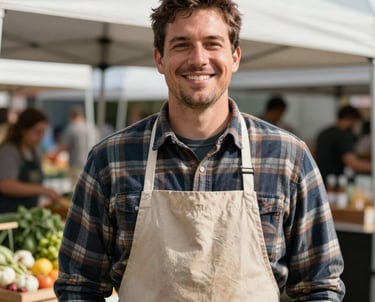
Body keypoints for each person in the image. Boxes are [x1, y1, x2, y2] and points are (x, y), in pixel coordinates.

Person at [55, 1, 345, 301]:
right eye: (181, 45)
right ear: (159, 58)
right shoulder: (111, 159)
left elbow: (320, 286)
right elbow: (79, 285)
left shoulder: (287, 158)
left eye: (212, 43)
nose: (198, 58)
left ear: (234, 57)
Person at [0, 107, 61, 213]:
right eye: (37, 132)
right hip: (9, 217)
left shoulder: (34, 152)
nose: (41, 137)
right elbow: (6, 185)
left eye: (43, 132)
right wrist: (42, 190)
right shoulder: (9, 151)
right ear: (24, 131)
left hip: (28, 214)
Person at [316, 105, 371, 184]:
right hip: (337, 183)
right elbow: (353, 163)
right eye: (356, 122)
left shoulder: (323, 133)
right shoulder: (344, 136)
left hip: (321, 181)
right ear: (351, 119)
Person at [51, 105, 100, 185]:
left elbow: (64, 146)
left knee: (77, 191)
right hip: (92, 165)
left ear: (72, 115)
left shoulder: (72, 128)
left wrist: (53, 154)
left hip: (76, 165)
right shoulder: (93, 128)